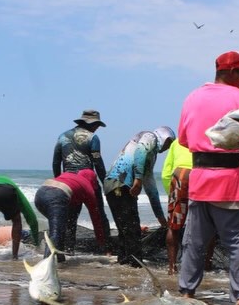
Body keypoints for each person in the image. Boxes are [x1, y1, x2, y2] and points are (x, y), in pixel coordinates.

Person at [177, 51, 239, 305]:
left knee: (194, 241)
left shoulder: (192, 97)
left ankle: (186, 292)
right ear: (230, 72)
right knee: (238, 241)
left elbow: (183, 140)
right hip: (232, 182)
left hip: (200, 180)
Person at [103, 127, 174, 266]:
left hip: (112, 185)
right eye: (168, 143)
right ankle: (136, 266)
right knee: (132, 230)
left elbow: (152, 189)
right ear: (163, 137)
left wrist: (160, 218)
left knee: (125, 230)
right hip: (120, 183)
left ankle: (124, 265)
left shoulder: (150, 157)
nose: (167, 148)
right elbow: (140, 151)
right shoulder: (149, 137)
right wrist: (138, 178)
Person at [52, 109, 111, 253]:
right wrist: (105, 184)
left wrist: (59, 181)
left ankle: (69, 249)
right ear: (91, 123)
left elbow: (55, 162)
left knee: (71, 218)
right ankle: (106, 248)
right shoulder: (92, 138)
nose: (97, 128)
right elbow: (98, 163)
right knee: (99, 215)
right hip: (88, 182)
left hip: (69, 184)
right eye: (97, 124)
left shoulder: (62, 136)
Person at [161, 139, 217, 275]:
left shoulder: (177, 142)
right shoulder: (210, 137)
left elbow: (165, 173)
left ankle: (172, 268)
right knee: (209, 224)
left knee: (174, 226)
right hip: (202, 174)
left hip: (180, 175)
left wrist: (172, 195)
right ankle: (207, 265)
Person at [34, 168, 108, 261]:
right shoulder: (88, 187)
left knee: (60, 230)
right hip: (57, 196)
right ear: (92, 180)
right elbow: (95, 218)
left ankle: (61, 260)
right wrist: (102, 243)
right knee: (56, 233)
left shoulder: (69, 176)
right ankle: (44, 265)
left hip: (40, 195)